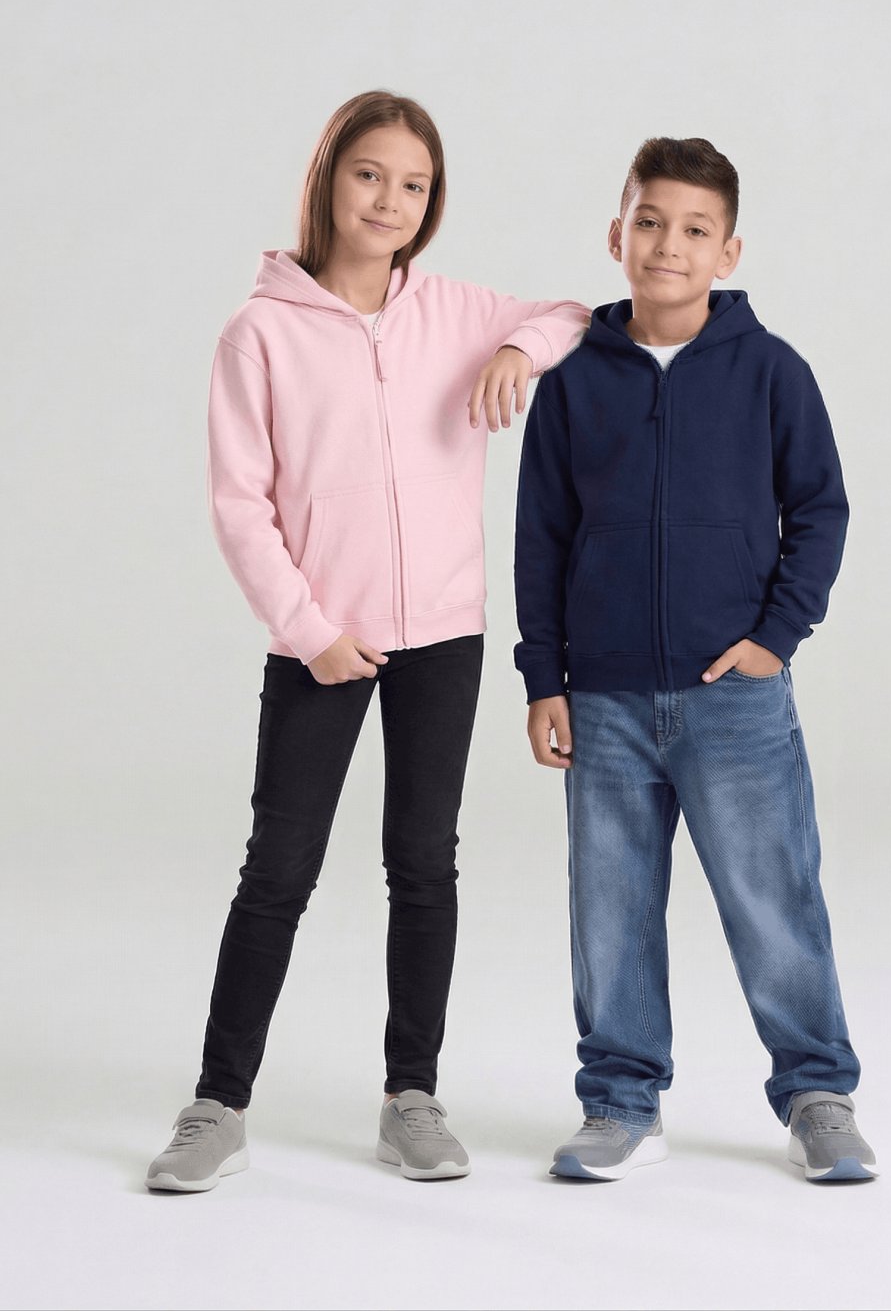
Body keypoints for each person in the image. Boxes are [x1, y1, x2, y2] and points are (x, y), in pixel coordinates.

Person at [145, 90, 588, 1191]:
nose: (390, 200)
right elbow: (241, 505)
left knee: (423, 865)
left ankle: (411, 1097)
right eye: (370, 174)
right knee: (277, 870)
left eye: (414, 184)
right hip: (321, 640)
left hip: (444, 632)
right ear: (328, 179)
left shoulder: (451, 310)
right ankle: (216, 1105)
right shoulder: (260, 331)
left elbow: (575, 313)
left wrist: (517, 347)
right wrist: (308, 629)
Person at [513, 136, 877, 1184]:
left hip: (735, 699)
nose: (667, 245)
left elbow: (819, 510)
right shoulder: (573, 378)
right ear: (616, 232)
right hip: (605, 697)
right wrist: (546, 677)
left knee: (774, 898)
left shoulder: (770, 370)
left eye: (694, 229)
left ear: (728, 251)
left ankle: (817, 1093)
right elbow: (541, 535)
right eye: (649, 221)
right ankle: (620, 1102)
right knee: (611, 909)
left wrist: (776, 637)